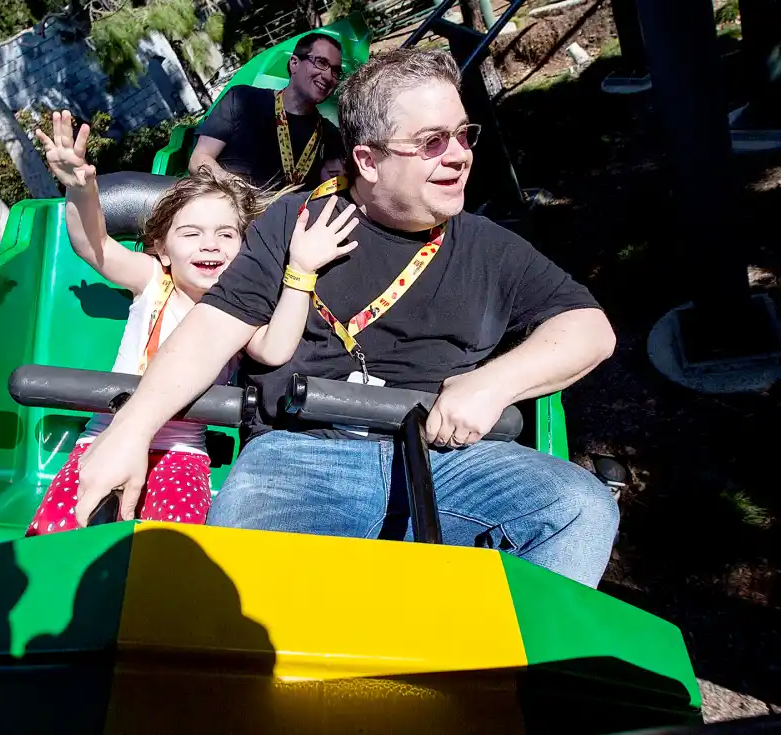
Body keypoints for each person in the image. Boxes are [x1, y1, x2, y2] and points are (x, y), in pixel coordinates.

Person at [74, 48, 619, 589]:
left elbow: (590, 329)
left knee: (580, 508)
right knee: (243, 573)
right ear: (368, 161)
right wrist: (131, 428)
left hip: (445, 458)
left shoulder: (491, 247)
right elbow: (211, 331)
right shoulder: (293, 221)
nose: (458, 155)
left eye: (462, 135)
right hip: (301, 457)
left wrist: (494, 382)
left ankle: (502, 667)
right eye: (431, 141)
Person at [26, 112, 359, 534]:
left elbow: (274, 348)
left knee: (170, 547)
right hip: (106, 437)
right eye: (191, 234)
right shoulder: (152, 281)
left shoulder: (242, 311)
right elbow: (94, 246)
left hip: (181, 452)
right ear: (163, 250)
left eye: (226, 234)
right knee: (60, 535)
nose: (210, 245)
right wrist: (80, 189)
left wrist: (301, 271)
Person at [189, 32, 346, 189]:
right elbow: (199, 159)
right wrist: (234, 187)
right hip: (233, 206)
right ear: (294, 63)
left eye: (336, 71)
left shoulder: (330, 135)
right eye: (320, 62)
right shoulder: (242, 99)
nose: (328, 76)